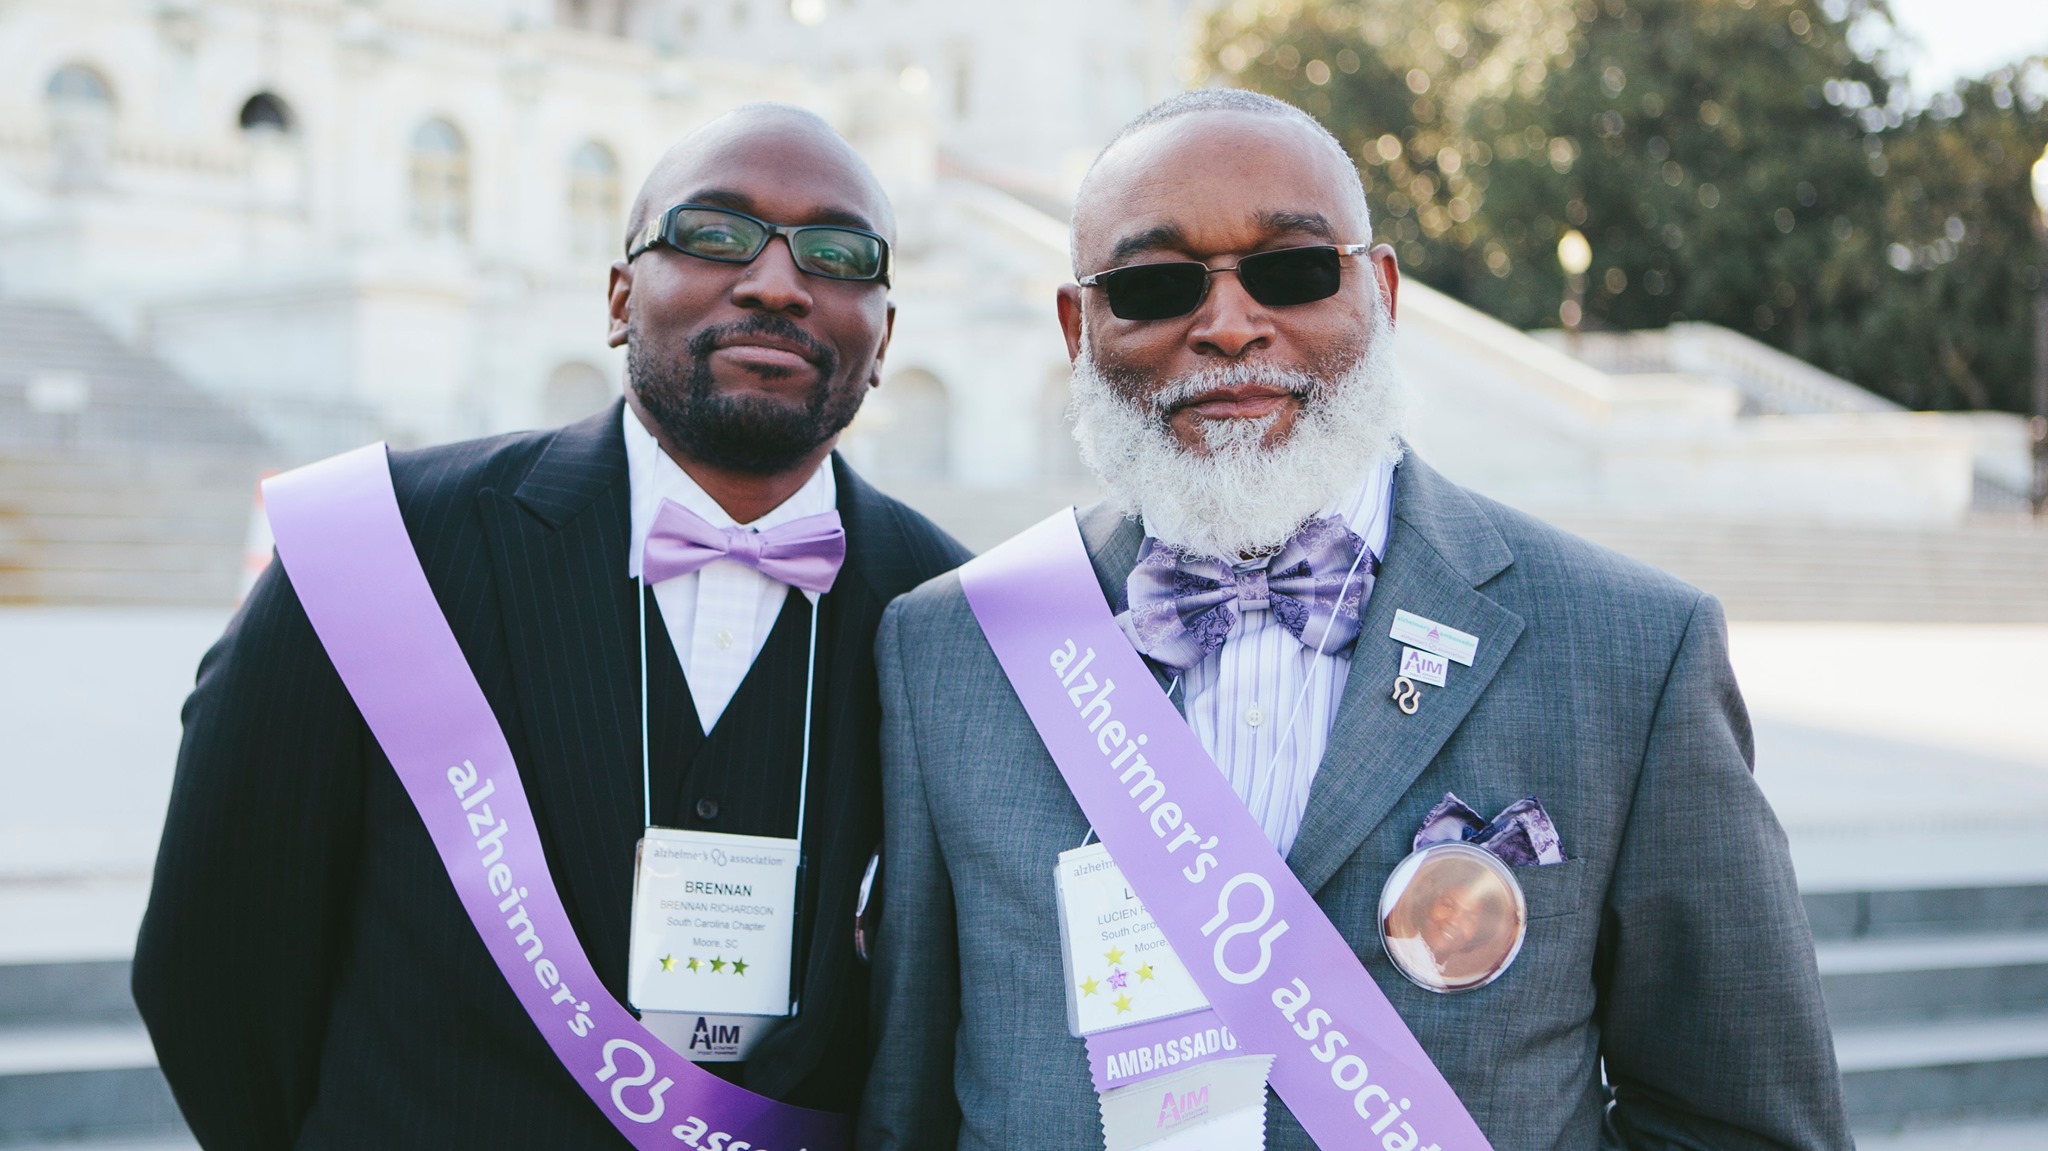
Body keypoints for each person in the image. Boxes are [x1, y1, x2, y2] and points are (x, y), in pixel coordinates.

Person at [859, 89, 1851, 1150]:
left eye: (1292, 269)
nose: (1230, 324)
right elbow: (909, 1102)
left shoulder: (1630, 650)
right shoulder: (952, 647)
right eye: (1154, 284)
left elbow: (1739, 1123)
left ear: (1378, 290)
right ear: (1078, 326)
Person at [134, 103, 968, 1148]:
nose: (774, 281)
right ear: (619, 297)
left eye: (837, 253)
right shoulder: (376, 548)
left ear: (884, 334)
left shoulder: (955, 615)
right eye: (712, 233)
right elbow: (212, 960)